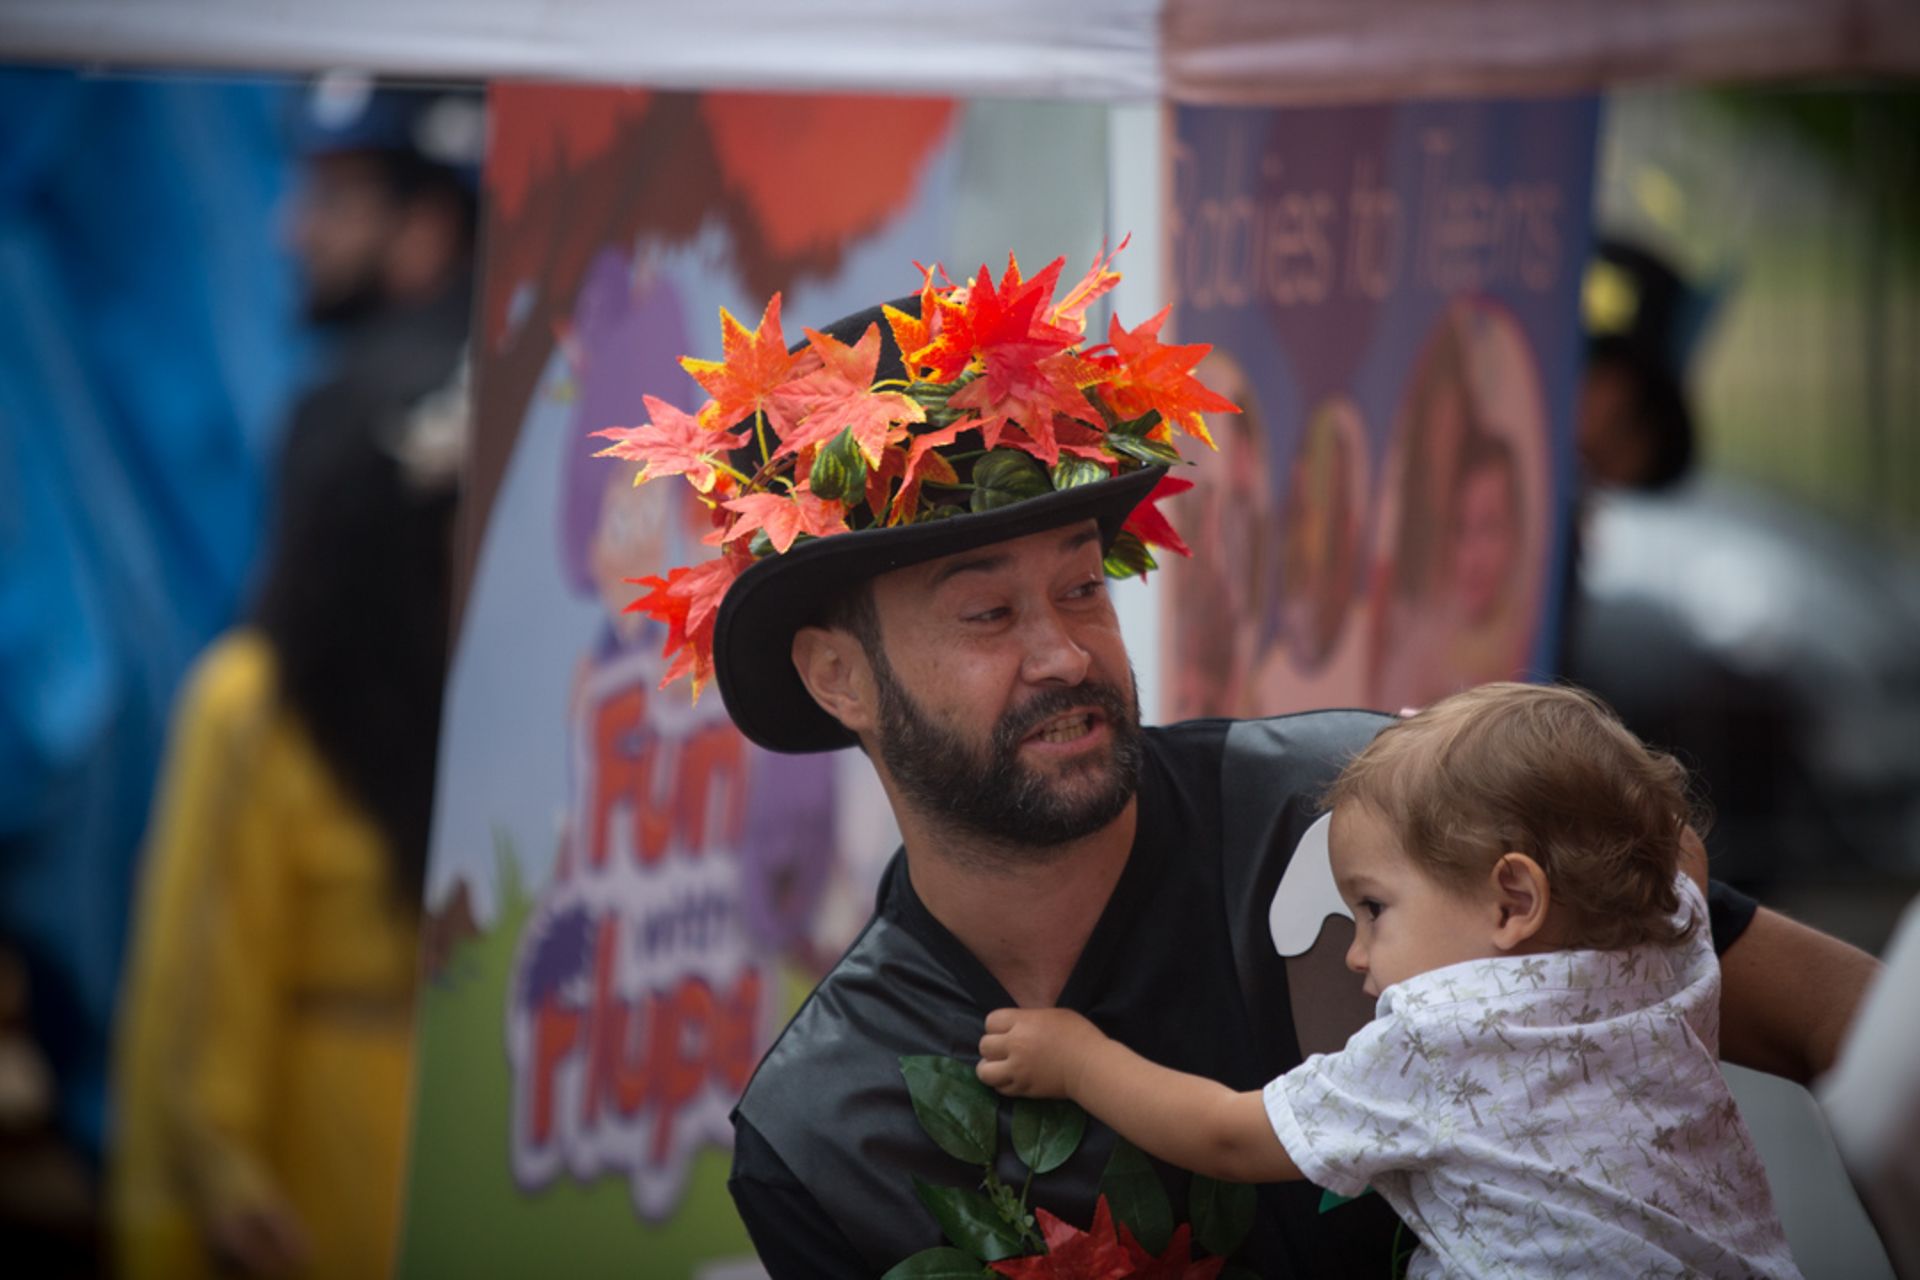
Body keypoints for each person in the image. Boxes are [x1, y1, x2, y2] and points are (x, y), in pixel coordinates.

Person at [604, 254, 1880, 1276]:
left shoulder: (1379, 810)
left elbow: (1858, 1022)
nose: (1064, 653)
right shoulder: (824, 1129)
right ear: (838, 676)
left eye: (1082, 588)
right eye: (988, 613)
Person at [977, 681, 1801, 1278]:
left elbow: (1229, 1134)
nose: (1355, 952)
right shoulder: (1669, 941)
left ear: (1513, 900)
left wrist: (1078, 1061)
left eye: (1374, 908)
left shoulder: (1442, 1038)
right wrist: (1502, 767)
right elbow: (1677, 844)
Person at [108, 75, 476, 1280]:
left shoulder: (514, 714)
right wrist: (213, 1170)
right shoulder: (263, 711)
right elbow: (200, 990)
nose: (289, 228)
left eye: (335, 196)